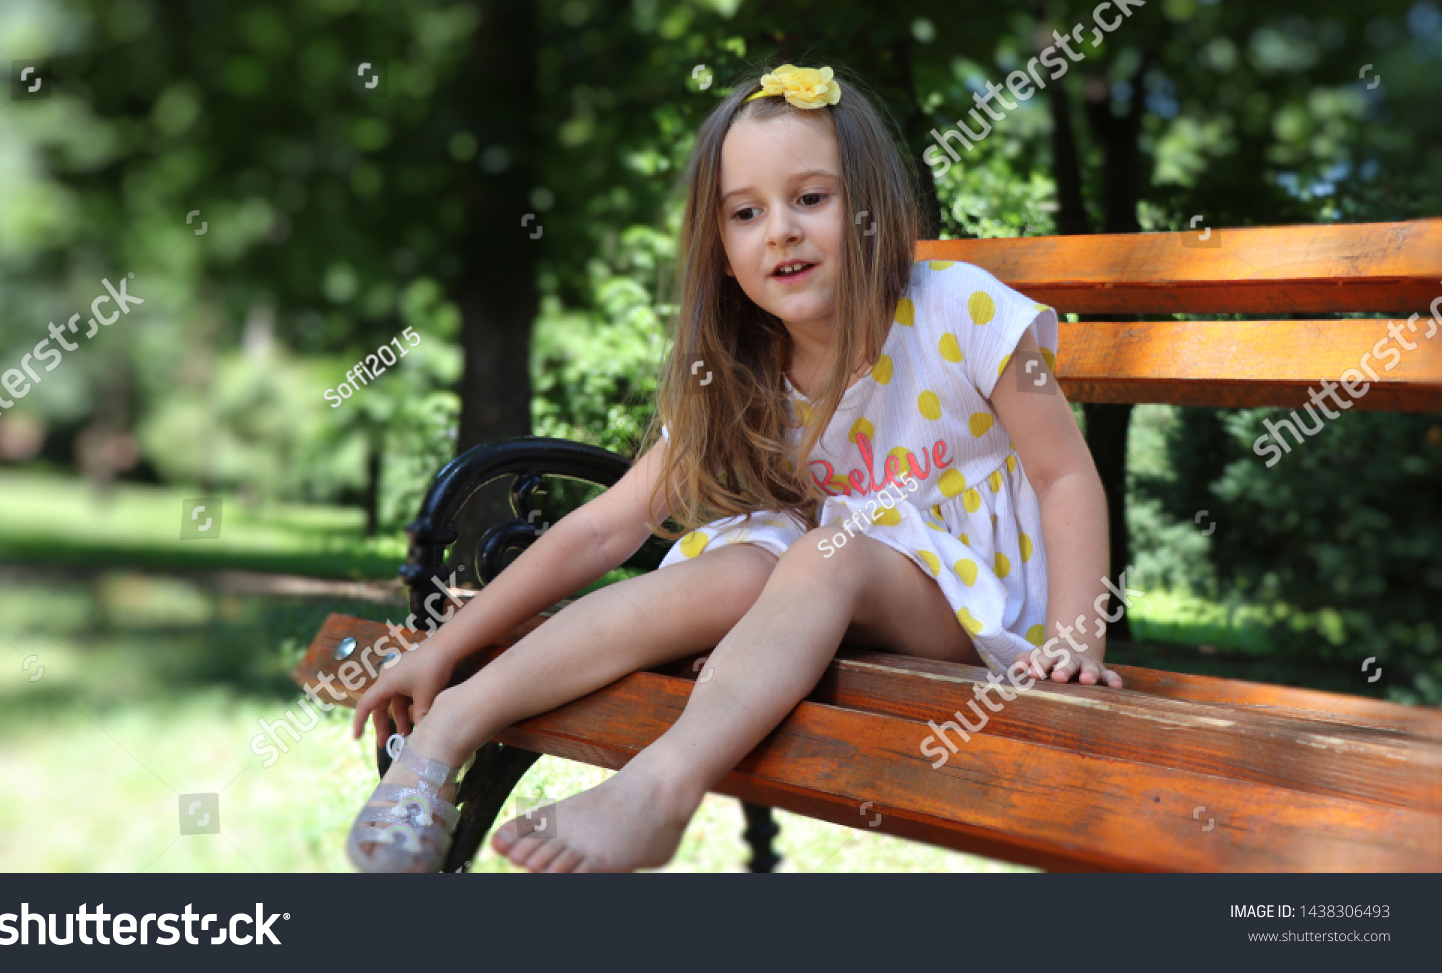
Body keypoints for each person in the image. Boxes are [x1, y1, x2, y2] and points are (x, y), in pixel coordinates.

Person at [344, 63, 1121, 874]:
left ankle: (658, 790)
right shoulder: (739, 368)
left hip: (974, 608)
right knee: (740, 567)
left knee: (828, 546)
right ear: (719, 249)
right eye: (746, 213)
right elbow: (606, 526)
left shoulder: (963, 309)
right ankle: (443, 734)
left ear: (870, 209)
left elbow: (1065, 474)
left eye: (810, 199)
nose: (779, 230)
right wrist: (444, 644)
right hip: (823, 584)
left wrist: (1073, 640)